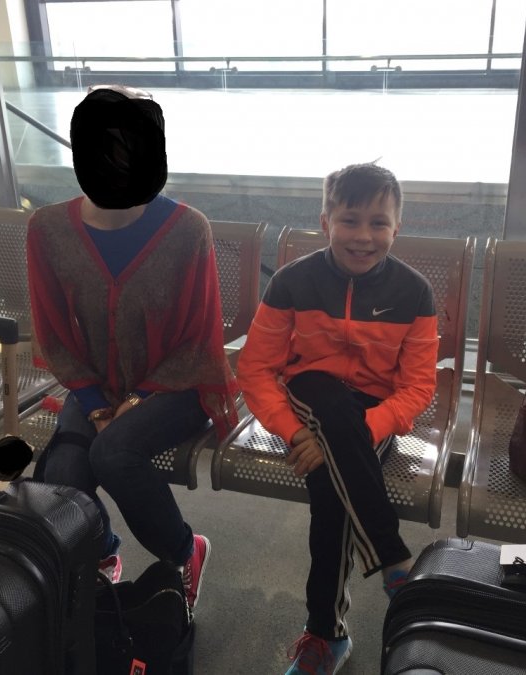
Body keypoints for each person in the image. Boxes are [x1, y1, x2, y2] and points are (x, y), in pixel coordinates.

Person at [26, 85, 238, 611]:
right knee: (64, 475)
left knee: (113, 454)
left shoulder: (187, 230)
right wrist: (97, 404)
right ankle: (100, 551)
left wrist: (138, 399)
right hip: (94, 383)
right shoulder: (48, 230)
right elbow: (53, 334)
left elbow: (199, 340)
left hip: (178, 384)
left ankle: (185, 551)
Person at [236, 162, 438, 674]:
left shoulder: (414, 292)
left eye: (378, 223)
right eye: (349, 220)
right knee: (325, 396)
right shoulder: (293, 281)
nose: (363, 236)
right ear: (325, 222)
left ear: (397, 228)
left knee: (331, 487)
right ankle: (393, 560)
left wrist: (367, 428)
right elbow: (256, 369)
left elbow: (417, 387)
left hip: (373, 413)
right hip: (310, 399)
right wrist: (294, 432)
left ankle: (325, 634)